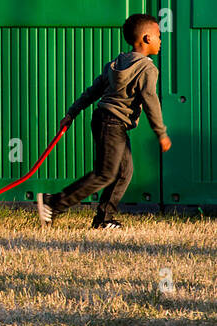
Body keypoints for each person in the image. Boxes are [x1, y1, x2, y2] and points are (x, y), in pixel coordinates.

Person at [36, 14, 172, 229]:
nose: (161, 40)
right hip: (113, 123)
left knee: (123, 172)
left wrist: (72, 112)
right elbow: (150, 100)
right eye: (158, 35)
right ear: (146, 39)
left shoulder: (117, 63)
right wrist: (161, 133)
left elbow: (93, 91)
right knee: (105, 173)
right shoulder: (147, 68)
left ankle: (103, 219)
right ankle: (54, 203)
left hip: (104, 120)